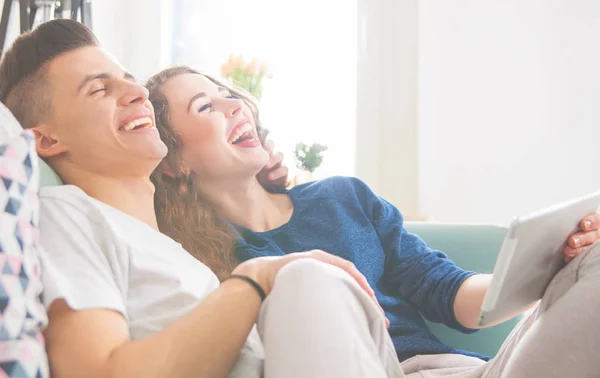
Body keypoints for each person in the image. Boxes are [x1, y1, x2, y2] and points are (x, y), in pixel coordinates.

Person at [0, 19, 409, 378]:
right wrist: (257, 278)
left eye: (127, 77)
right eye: (99, 89)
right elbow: (100, 371)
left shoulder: (178, 244)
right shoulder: (67, 214)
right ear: (47, 139)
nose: (135, 91)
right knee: (303, 278)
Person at [145, 65, 600, 377]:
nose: (235, 106)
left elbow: (445, 290)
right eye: (205, 107)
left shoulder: (343, 197)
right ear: (173, 162)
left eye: (229, 94)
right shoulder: (194, 257)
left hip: (468, 371)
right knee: (306, 279)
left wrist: (547, 267)